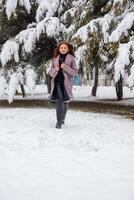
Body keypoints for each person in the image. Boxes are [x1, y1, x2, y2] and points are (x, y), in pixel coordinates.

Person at [48, 41, 78, 129]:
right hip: (57, 82)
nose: (63, 49)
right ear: (59, 49)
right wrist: (55, 69)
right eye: (61, 48)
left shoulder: (72, 58)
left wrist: (65, 67)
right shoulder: (54, 59)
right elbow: (50, 73)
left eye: (65, 48)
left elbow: (74, 72)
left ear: (68, 49)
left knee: (65, 102)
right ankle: (58, 122)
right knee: (60, 100)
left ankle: (62, 118)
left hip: (66, 83)